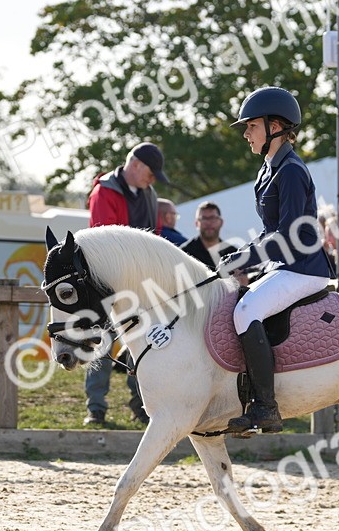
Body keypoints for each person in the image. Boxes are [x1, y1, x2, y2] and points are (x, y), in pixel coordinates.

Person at [219, 87, 333, 434]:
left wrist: (248, 258)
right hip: (282, 266)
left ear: (276, 127)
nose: (246, 134)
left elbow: (288, 234)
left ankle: (266, 407)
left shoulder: (292, 171)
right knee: (235, 303)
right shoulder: (267, 171)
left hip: (303, 267)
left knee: (246, 311)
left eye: (251, 126)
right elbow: (269, 232)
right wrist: (243, 255)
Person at [83, 142, 170, 426]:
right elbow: (104, 240)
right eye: (151, 172)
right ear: (135, 165)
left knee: (143, 343)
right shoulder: (104, 191)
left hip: (140, 283)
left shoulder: (150, 194)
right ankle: (95, 408)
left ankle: (141, 404)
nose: (153, 178)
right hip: (106, 282)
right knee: (101, 343)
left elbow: (155, 238)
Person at [181, 201, 239, 271]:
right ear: (196, 223)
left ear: (221, 222)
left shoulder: (233, 253)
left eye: (212, 218)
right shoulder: (184, 254)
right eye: (204, 219)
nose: (208, 223)